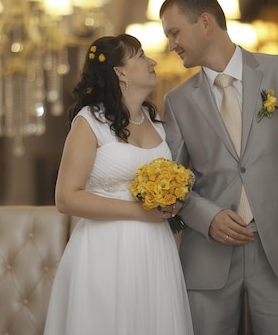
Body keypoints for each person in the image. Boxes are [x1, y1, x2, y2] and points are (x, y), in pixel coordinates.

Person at [159, 0, 278, 335]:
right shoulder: (178, 101)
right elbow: (171, 182)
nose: (171, 45)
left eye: (175, 32)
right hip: (208, 254)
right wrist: (207, 216)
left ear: (205, 23)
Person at [43, 34, 194, 335]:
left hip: (156, 248)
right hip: (105, 250)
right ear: (120, 72)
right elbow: (66, 198)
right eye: (140, 55)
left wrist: (174, 197)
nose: (152, 61)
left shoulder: (155, 120)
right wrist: (142, 212)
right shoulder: (90, 121)